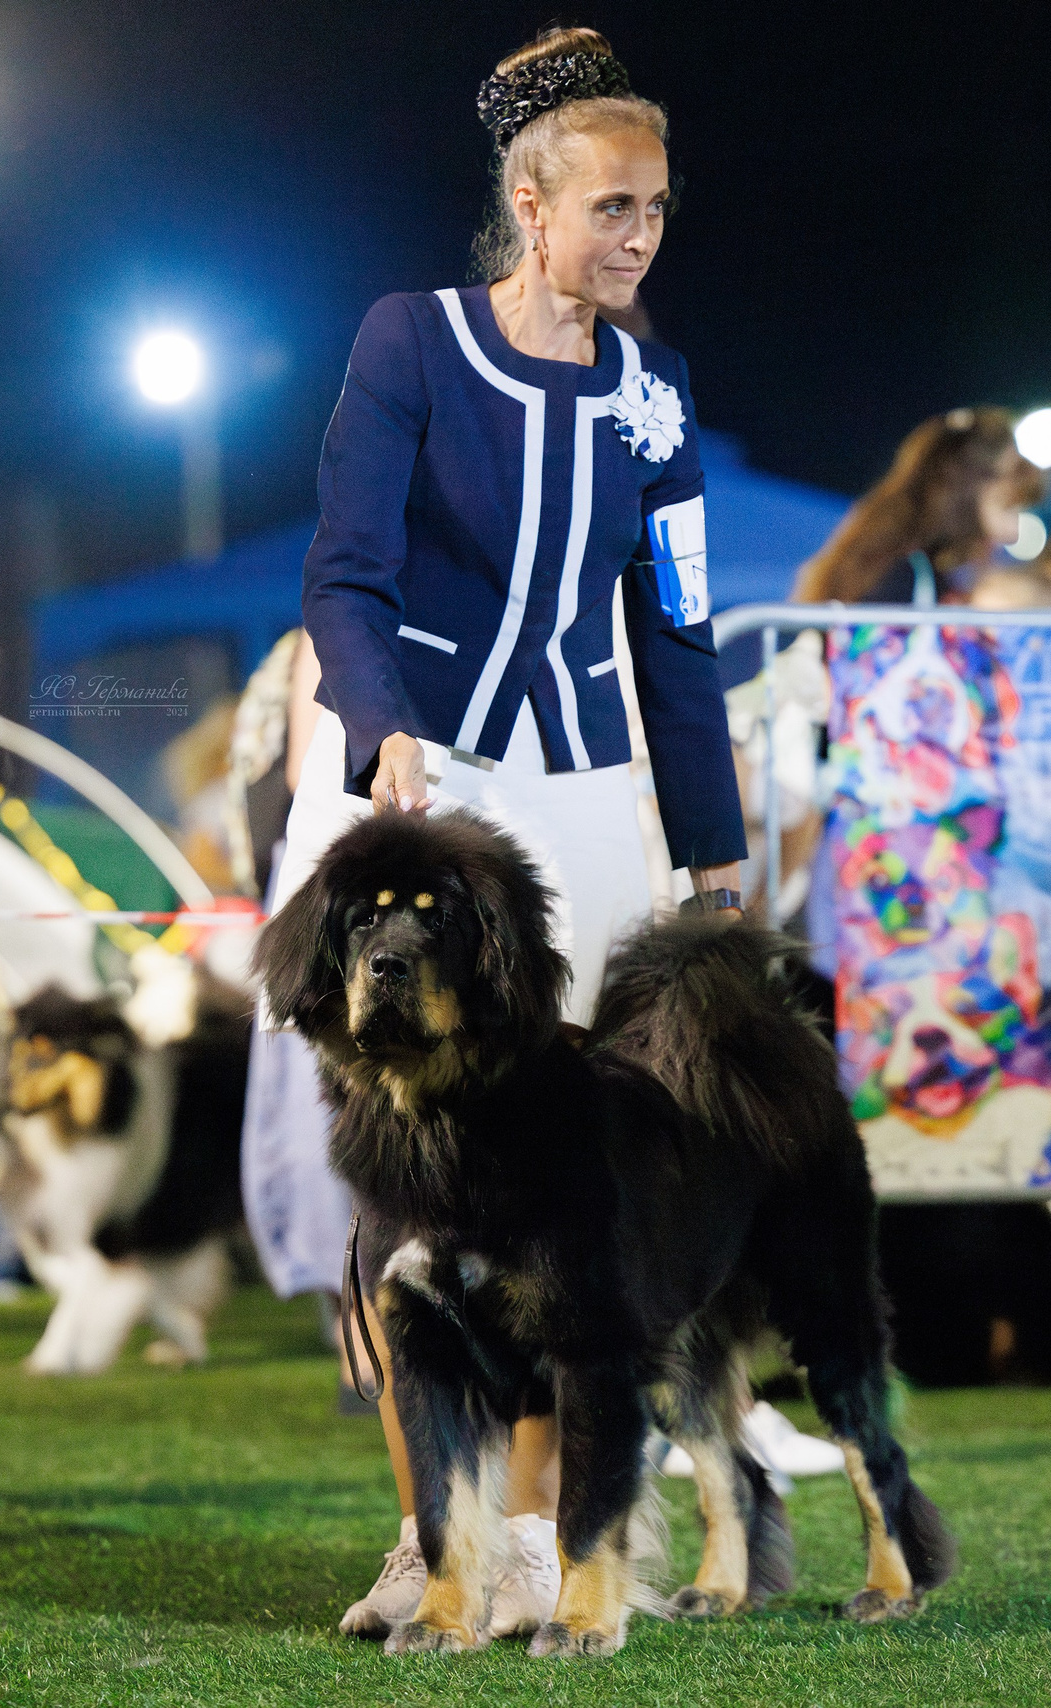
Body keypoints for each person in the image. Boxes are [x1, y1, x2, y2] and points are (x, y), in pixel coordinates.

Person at [277, 26, 749, 1640]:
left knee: (562, 1186)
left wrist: (713, 850)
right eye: (614, 206)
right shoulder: (410, 342)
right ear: (531, 208)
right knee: (403, 1182)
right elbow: (345, 574)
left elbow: (678, 634)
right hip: (414, 791)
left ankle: (540, 1531)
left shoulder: (657, 396)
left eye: (658, 208)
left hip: (583, 808)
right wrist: (381, 723)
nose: (642, 235)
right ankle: (431, 1538)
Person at [794, 409, 1046, 606]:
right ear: (968, 485)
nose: (1015, 531)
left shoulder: (900, 564)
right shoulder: (902, 576)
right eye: (1009, 504)